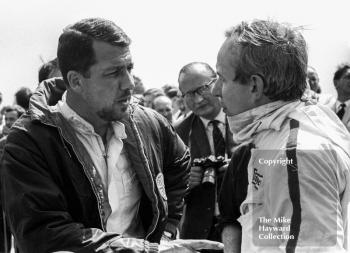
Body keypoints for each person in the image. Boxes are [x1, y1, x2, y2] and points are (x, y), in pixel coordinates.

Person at [0, 18, 223, 253]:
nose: (129, 83)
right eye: (114, 72)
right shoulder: (29, 142)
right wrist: (147, 249)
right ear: (76, 81)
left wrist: (166, 231)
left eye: (129, 68)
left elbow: (178, 163)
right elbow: (44, 234)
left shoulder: (147, 122)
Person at [213, 19, 350, 253]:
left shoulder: (295, 154)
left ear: (255, 86)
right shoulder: (282, 136)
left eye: (222, 78)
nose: (215, 90)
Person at [175, 62, 235, 245]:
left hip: (243, 225)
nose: (198, 100)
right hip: (198, 232)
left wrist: (240, 166)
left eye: (202, 89)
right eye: (189, 94)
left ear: (217, 83)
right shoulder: (177, 133)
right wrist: (184, 181)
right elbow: (166, 189)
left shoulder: (244, 120)